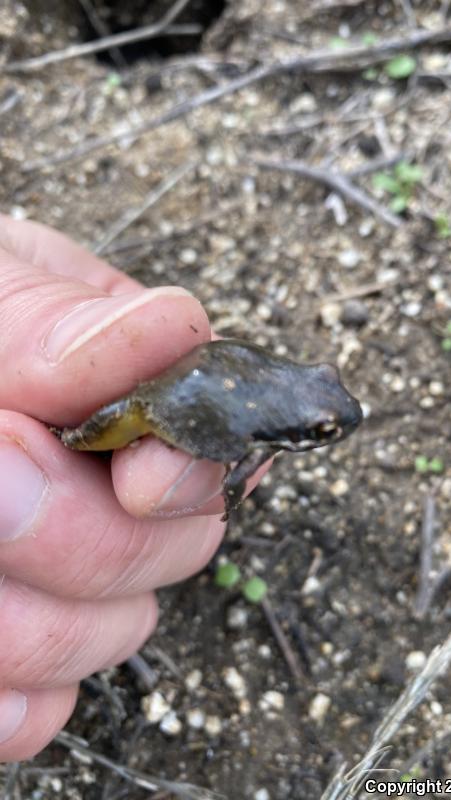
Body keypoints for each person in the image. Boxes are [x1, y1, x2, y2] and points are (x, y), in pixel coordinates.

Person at [0, 215, 267, 762]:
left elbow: (237, 467)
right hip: (140, 404)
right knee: (88, 448)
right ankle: (72, 437)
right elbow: (236, 476)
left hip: (151, 410)